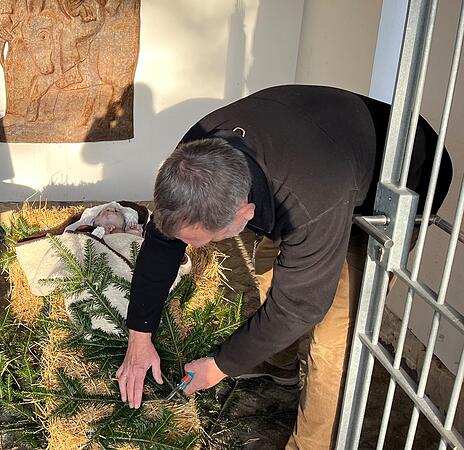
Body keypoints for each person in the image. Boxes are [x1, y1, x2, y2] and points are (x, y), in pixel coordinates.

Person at [115, 85, 453, 449]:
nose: (194, 248)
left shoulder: (308, 202)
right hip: (323, 154)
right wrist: (140, 336)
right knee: (267, 271)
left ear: (245, 212)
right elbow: (163, 242)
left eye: (204, 240)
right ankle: (280, 366)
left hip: (402, 178)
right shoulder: (193, 157)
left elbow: (300, 306)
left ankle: (311, 443)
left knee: (333, 335)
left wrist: (221, 364)